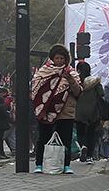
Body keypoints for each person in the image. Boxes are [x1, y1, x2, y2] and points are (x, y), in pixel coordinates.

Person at [31, 44, 83, 174]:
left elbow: (78, 92)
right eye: (57, 58)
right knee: (43, 138)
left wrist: (69, 79)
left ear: (66, 59)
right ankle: (39, 164)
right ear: (52, 58)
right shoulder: (43, 72)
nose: (59, 61)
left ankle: (66, 165)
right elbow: (36, 90)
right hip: (46, 111)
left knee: (66, 140)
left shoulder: (72, 73)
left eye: (62, 58)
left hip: (65, 113)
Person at [73, 61, 108, 163]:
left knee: (80, 132)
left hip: (79, 111)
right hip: (93, 112)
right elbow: (102, 94)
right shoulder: (95, 82)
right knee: (92, 134)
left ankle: (83, 146)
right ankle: (89, 156)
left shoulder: (77, 82)